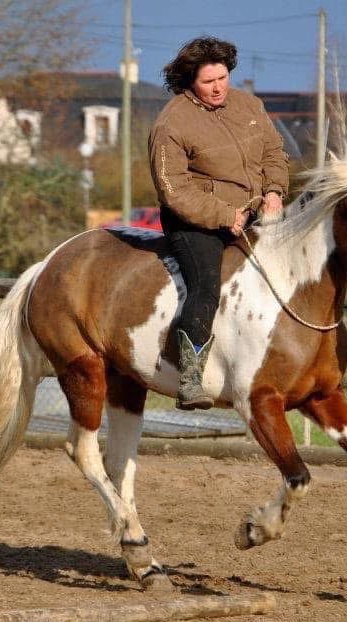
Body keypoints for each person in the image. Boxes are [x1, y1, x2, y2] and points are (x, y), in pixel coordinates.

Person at [148, 37, 289, 410]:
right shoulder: (171, 123)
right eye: (208, 81)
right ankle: (191, 377)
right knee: (207, 286)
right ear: (190, 81)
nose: (218, 87)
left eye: (223, 78)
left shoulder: (249, 105)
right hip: (194, 223)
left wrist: (274, 191)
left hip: (257, 212)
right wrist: (226, 216)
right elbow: (173, 190)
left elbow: (275, 153)